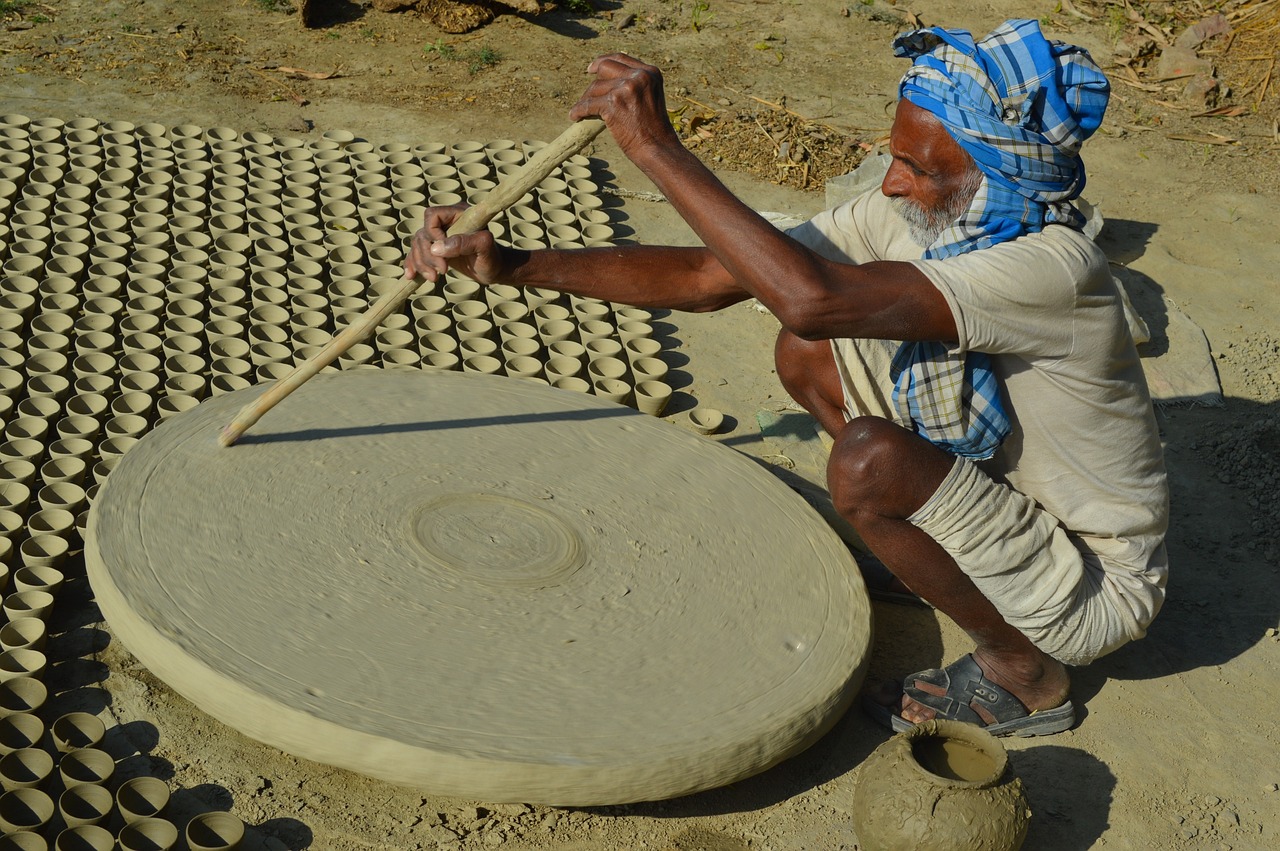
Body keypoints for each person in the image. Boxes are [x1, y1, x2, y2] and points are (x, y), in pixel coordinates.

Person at [405, 20, 1170, 737]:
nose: (893, 184)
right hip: (1012, 512)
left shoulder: (1051, 269)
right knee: (807, 352)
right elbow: (713, 276)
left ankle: (1023, 670)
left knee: (867, 461)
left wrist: (656, 150)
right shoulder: (933, 213)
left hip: (1091, 584)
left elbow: (813, 297)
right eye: (896, 156)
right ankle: (931, 548)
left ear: (998, 172)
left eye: (921, 167)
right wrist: (511, 266)